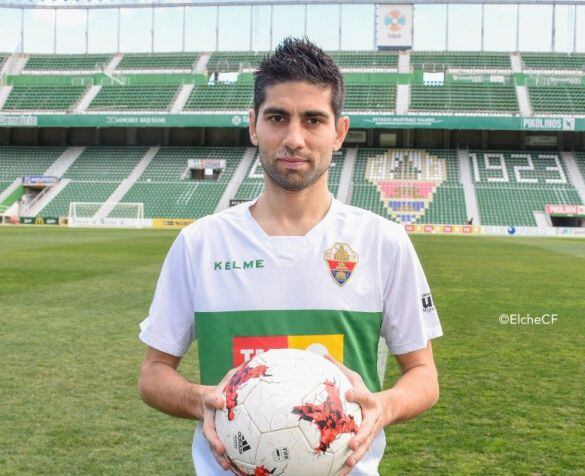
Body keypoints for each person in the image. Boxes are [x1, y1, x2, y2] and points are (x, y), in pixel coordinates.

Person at [137, 38, 442, 476]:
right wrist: (198, 398)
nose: (293, 138)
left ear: (339, 132)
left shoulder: (383, 242)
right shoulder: (200, 244)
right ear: (253, 126)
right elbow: (153, 374)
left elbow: (423, 375)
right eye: (277, 117)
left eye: (313, 119)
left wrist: (385, 405)